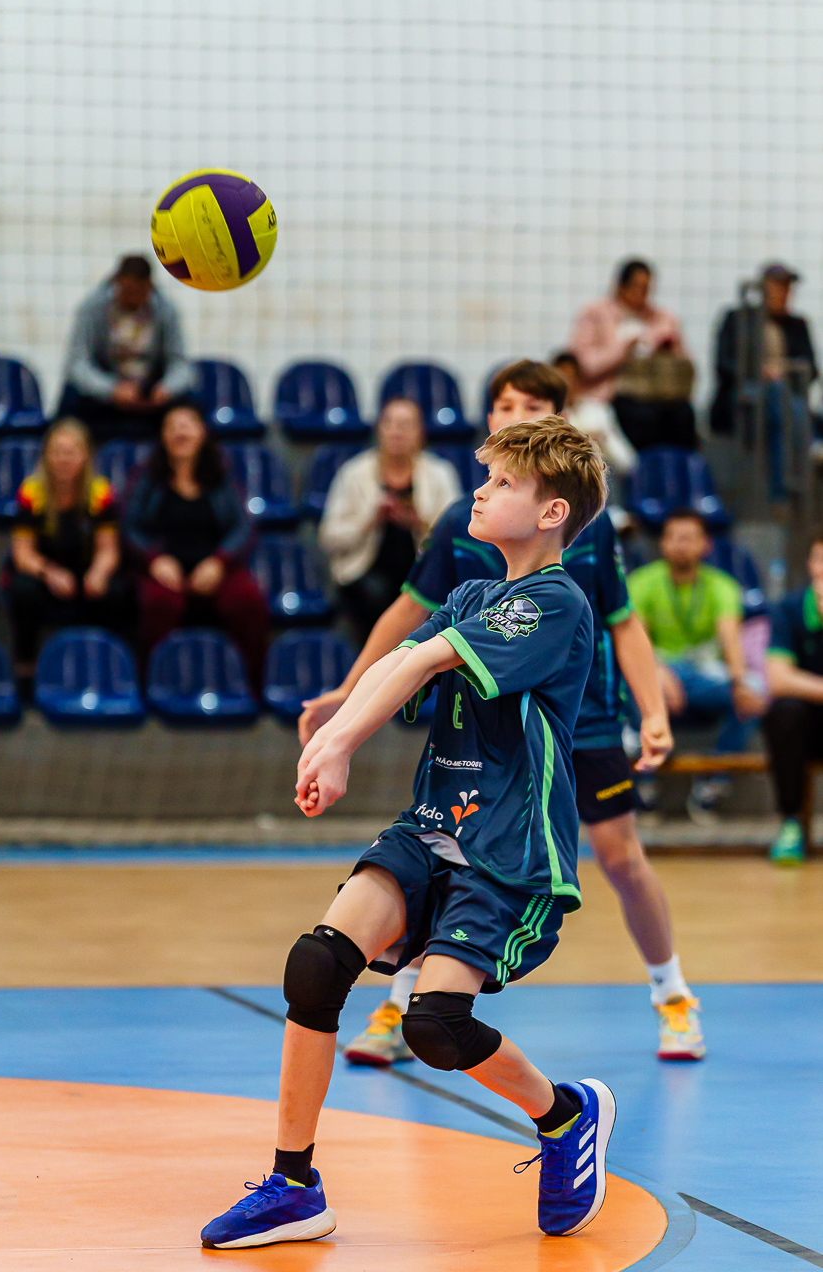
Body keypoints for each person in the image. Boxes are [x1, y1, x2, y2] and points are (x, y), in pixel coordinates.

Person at [202, 418, 616, 1250]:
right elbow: (397, 662)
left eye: (501, 482)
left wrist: (339, 746)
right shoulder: (468, 597)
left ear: (551, 513)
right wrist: (333, 736)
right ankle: (292, 1186)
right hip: (432, 826)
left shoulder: (556, 603)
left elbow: (423, 662)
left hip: (507, 851)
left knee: (435, 1027)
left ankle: (564, 1115)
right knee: (316, 965)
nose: (480, 492)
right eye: (484, 477)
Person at [302, 360, 703, 1068]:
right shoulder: (466, 521)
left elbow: (622, 619)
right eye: (503, 405)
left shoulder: (581, 530)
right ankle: (405, 1003)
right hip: (488, 718)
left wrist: (651, 709)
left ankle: (671, 993)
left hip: (577, 719)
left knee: (618, 858)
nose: (513, 415)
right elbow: (411, 617)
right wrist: (348, 690)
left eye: (530, 406)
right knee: (445, 849)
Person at [628, 510, 765, 821]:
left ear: (705, 544)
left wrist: (740, 683)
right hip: (658, 673)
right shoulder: (641, 582)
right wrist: (658, 675)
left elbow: (731, 641)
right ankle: (645, 785)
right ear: (662, 543)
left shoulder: (723, 586)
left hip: (703, 678)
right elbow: (636, 644)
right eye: (674, 537)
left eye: (689, 538)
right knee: (632, 684)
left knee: (753, 695)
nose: (681, 545)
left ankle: (713, 782)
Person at [123, 405, 268, 695]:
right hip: (164, 569)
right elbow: (130, 527)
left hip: (215, 568)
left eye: (188, 424)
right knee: (159, 605)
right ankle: (151, 686)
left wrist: (219, 562)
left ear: (203, 433)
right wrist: (154, 560)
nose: (181, 432)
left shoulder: (221, 477)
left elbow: (242, 528)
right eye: (173, 426)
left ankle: (252, 688)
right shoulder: (148, 478)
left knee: (248, 602)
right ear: (162, 437)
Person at [318, 398, 460, 643]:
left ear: (420, 432)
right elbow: (329, 538)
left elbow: (457, 535)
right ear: (379, 429)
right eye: (389, 423)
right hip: (364, 573)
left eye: (405, 424)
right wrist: (370, 520)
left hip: (424, 573)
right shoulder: (353, 473)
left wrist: (418, 522)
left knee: (430, 597)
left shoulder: (440, 473)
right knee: (375, 596)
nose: (396, 431)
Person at [2, 418, 130, 688]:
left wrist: (99, 573)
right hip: (45, 569)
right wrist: (50, 573)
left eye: (71, 452)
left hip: (86, 567)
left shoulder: (101, 492)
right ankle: (25, 668)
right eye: (57, 452)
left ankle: (111, 666)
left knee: (117, 592)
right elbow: (22, 554)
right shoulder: (31, 492)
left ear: (85, 455)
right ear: (46, 456)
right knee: (23, 591)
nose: (64, 459)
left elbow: (109, 550)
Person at [59, 254, 196, 445]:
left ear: (149, 287)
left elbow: (179, 363)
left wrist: (166, 388)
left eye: (139, 291)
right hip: (105, 392)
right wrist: (111, 389)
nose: (132, 298)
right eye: (127, 290)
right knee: (70, 399)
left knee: (192, 404)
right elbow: (77, 364)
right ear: (117, 283)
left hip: (151, 392)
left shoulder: (166, 311)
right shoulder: (91, 308)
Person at [710, 262, 818, 497]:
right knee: (791, 408)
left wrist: (783, 371)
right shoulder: (738, 319)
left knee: (788, 404)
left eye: (786, 288)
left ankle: (787, 486)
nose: (783, 293)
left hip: (786, 396)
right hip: (747, 394)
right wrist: (758, 372)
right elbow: (725, 364)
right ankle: (790, 484)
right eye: (778, 287)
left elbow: (811, 369)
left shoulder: (797, 325)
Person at [569, 258, 695, 451]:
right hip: (609, 397)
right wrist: (623, 350)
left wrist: (667, 352)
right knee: (643, 418)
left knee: (684, 416)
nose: (641, 294)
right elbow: (582, 364)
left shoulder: (664, 318)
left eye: (646, 288)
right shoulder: (594, 314)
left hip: (659, 394)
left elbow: (685, 363)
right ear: (620, 286)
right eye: (636, 287)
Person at [762, 532, 823, 865]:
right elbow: (777, 679)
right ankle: (790, 823)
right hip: (808, 728)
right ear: (810, 564)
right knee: (783, 712)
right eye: (820, 559)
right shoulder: (790, 608)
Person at [551, 350, 637, 510]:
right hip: (562, 489)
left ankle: (615, 514)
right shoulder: (545, 415)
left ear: (580, 380)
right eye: (561, 377)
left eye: (572, 377)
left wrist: (603, 443)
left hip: (602, 485)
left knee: (601, 466)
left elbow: (628, 462)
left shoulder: (598, 411)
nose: (567, 383)